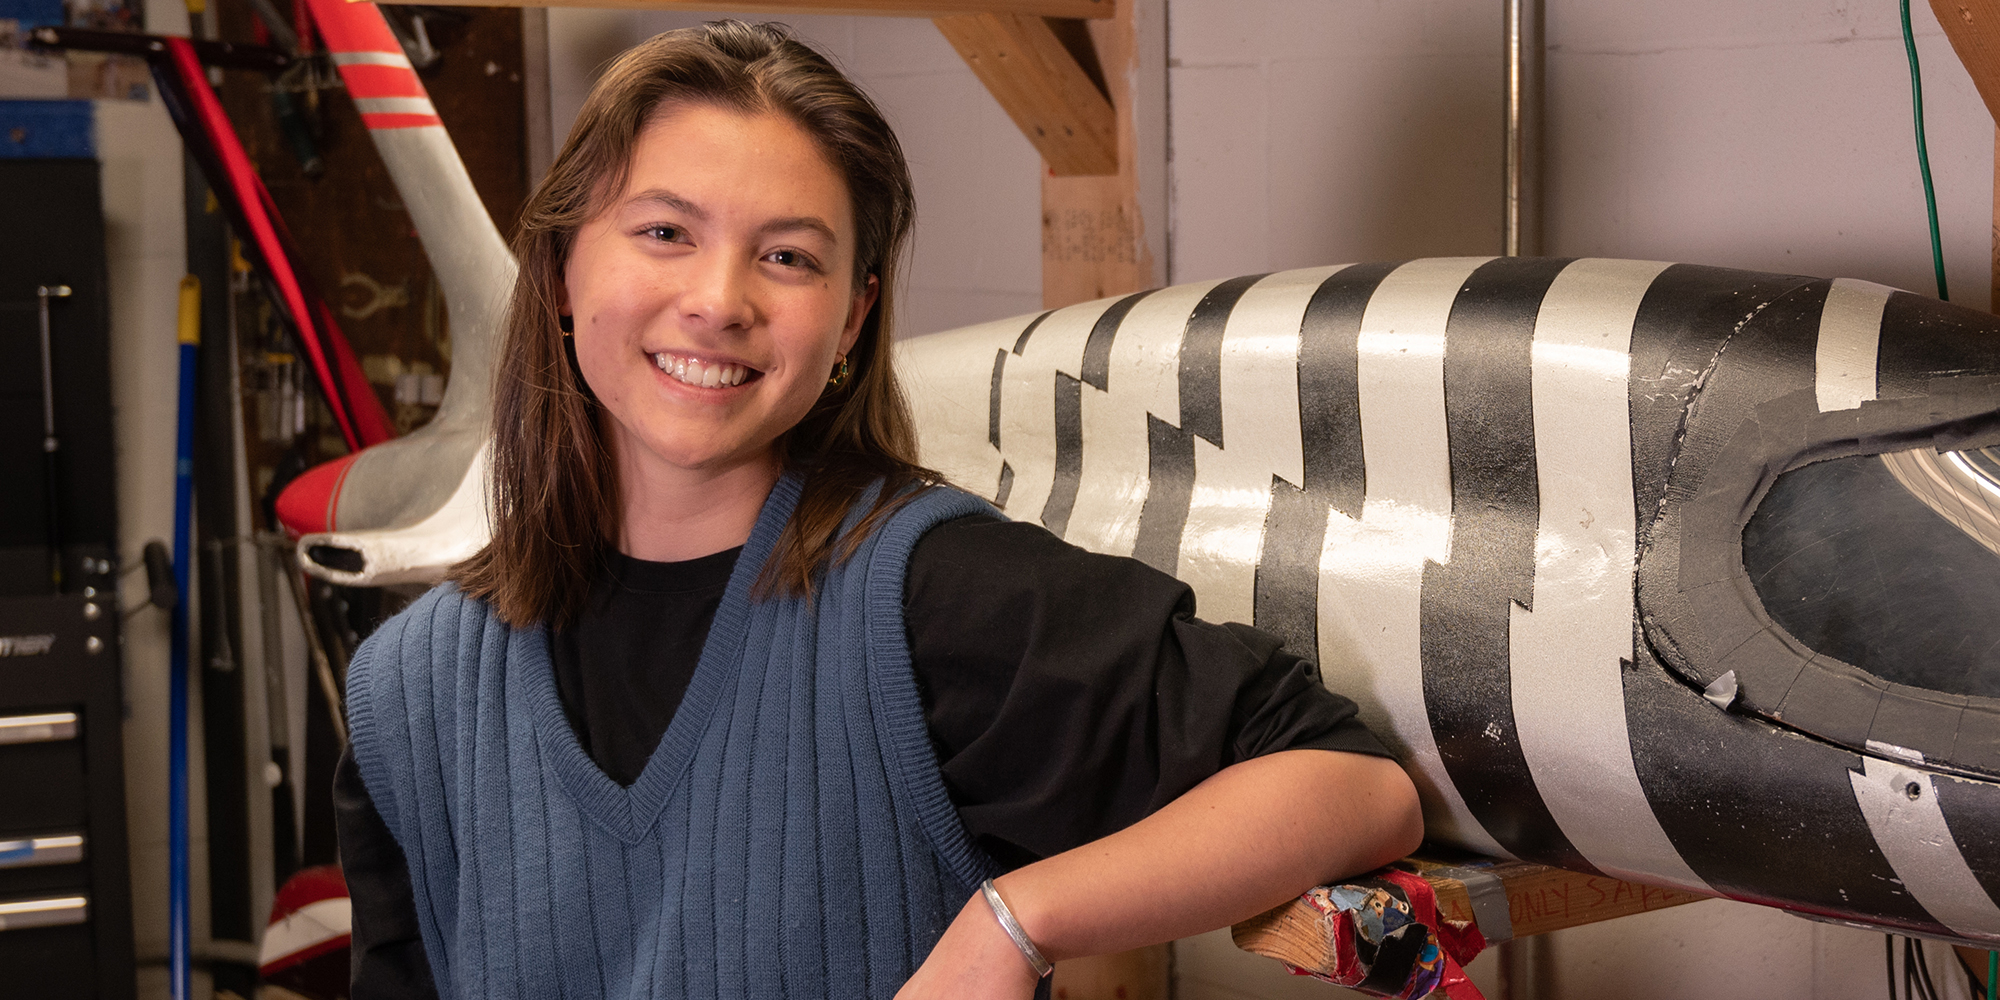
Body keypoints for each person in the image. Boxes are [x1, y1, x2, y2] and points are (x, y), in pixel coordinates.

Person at [334, 19, 1423, 1000]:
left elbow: (1354, 786)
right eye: (665, 231)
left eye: (787, 256)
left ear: (851, 318)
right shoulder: (412, 695)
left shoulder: (933, 601)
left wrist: (1016, 921)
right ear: (564, 265)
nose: (719, 301)